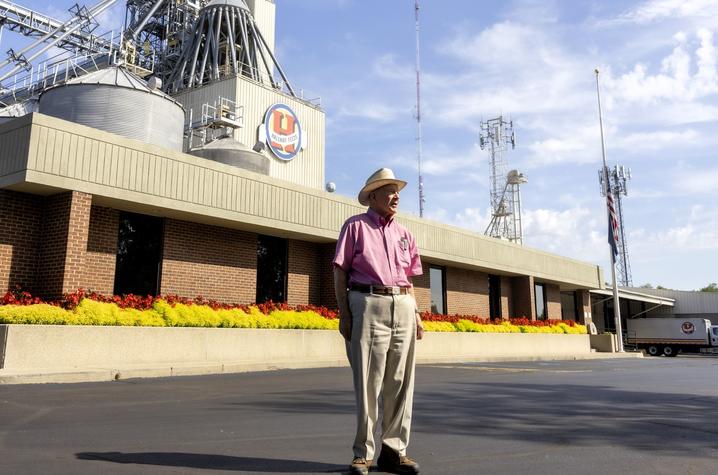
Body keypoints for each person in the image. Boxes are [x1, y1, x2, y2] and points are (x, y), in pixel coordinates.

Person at [333, 168, 424, 475]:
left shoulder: (405, 234)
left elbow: (409, 279)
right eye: (390, 190)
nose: (396, 196)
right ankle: (363, 454)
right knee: (369, 383)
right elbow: (340, 271)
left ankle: (394, 451)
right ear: (372, 196)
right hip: (367, 302)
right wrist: (344, 313)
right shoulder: (355, 227)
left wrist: (417, 314)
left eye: (398, 191)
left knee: (400, 383)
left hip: (403, 305)